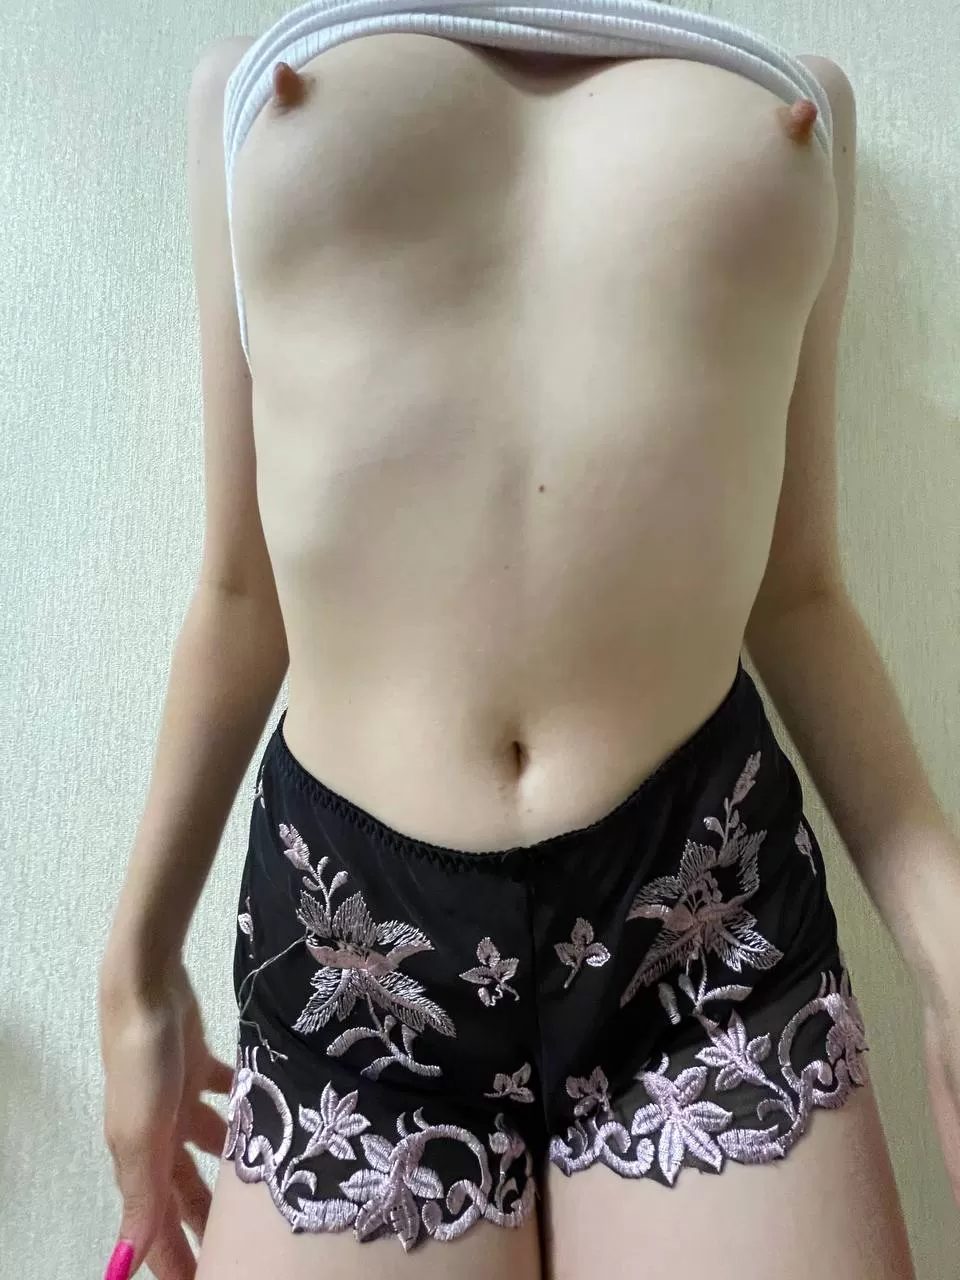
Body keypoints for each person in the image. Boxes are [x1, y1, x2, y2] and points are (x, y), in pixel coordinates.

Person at [98, 3, 960, 1279]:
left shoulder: (810, 98)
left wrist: (947, 936)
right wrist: (134, 970)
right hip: (356, 931)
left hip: (701, 909)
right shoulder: (240, 85)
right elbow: (241, 589)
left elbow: (800, 594)